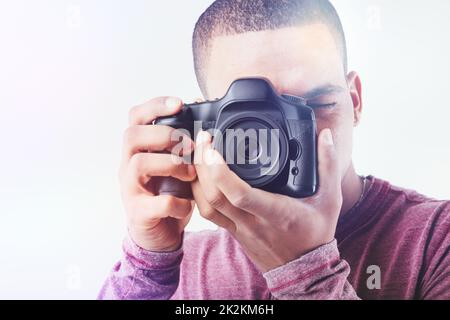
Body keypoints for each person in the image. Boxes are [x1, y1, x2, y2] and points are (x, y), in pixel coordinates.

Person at [98, 0, 450, 300]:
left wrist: (307, 271)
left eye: (317, 103)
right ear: (206, 126)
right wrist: (146, 269)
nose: (292, 137)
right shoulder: (184, 266)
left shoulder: (436, 241)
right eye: (254, 115)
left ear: (354, 100)